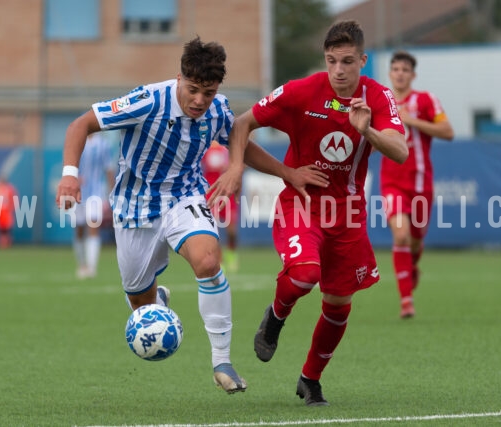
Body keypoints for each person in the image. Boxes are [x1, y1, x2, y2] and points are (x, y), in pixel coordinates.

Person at [54, 36, 326, 394]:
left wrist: (285, 172)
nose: (200, 101)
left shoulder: (218, 109)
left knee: (209, 261)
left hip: (185, 197)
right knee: (139, 303)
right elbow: (80, 125)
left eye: (208, 92)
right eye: (194, 90)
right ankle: (156, 299)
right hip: (134, 207)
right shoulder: (147, 100)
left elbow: (240, 142)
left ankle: (222, 362)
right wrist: (70, 176)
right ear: (180, 78)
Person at [209, 20, 408, 406]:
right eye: (332, 61)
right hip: (300, 204)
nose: (338, 70)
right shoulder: (302, 91)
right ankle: (276, 317)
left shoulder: (379, 98)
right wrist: (240, 168)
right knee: (305, 274)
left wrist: (367, 131)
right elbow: (242, 123)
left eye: (348, 61)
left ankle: (309, 380)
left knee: (338, 303)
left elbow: (399, 150)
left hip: (348, 214)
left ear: (363, 61)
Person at [381, 50, 454, 319]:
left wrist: (411, 121)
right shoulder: (381, 102)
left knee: (414, 240)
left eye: (404, 70)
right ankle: (406, 301)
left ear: (412, 75)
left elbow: (448, 132)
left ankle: (411, 264)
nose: (399, 74)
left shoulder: (426, 100)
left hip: (422, 183)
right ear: (390, 73)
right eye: (395, 69)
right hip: (391, 181)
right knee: (400, 235)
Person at [73, 131, 116, 279]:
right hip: (77, 192)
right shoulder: (78, 141)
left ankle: (91, 268)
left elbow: (108, 169)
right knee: (79, 229)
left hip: (95, 193)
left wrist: (113, 192)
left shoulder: (103, 144)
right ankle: (82, 264)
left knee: (93, 227)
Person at [201, 141, 239, 272]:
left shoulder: (227, 146)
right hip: (211, 192)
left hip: (227, 192)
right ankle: (220, 260)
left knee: (231, 231)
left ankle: (231, 254)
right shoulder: (205, 147)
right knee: (214, 229)